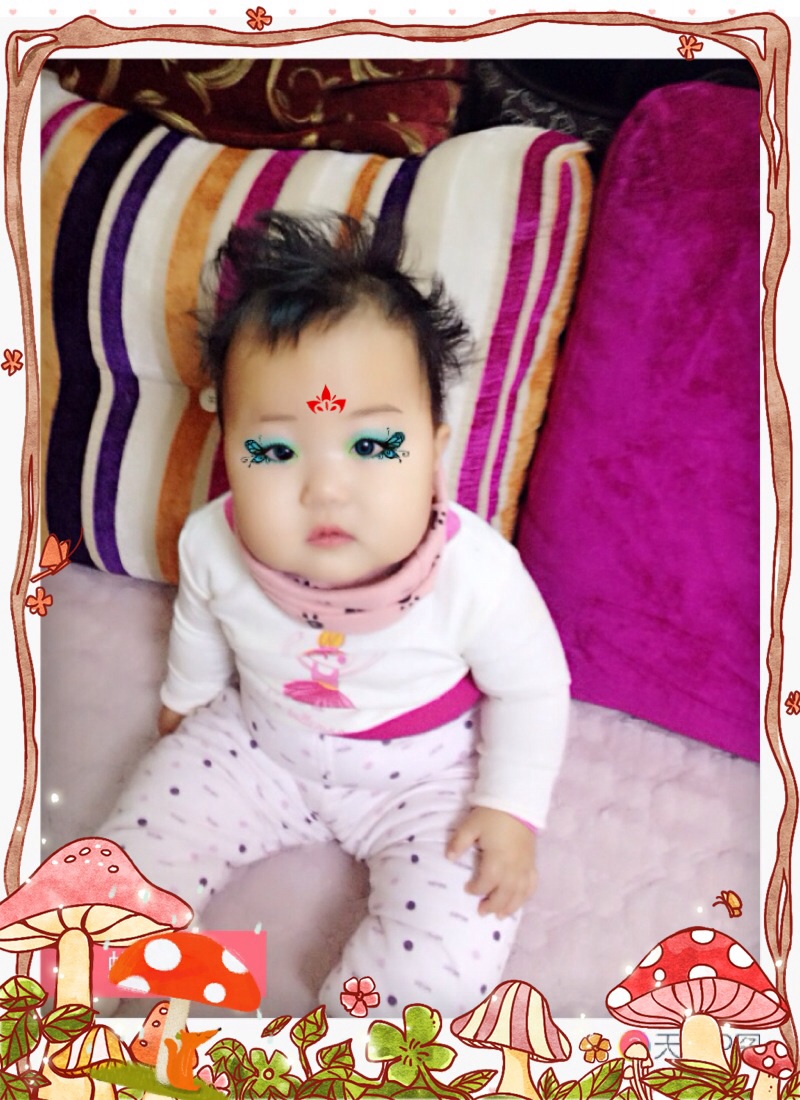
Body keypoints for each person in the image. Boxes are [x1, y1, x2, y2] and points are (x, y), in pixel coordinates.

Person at [101, 210, 570, 1015]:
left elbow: (533, 688)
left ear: (435, 449)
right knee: (125, 864)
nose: (325, 487)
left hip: (425, 777)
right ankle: (100, 1009)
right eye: (275, 451)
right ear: (230, 451)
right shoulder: (212, 541)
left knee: (453, 945)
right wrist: (186, 699)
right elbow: (200, 621)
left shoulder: (476, 575)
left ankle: (351, 1049)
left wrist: (509, 805)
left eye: (374, 446)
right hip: (260, 741)